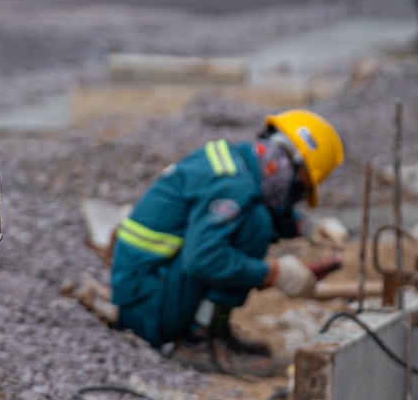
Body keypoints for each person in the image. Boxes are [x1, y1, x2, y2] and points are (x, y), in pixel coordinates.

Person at [106, 112, 347, 372]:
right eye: (299, 187)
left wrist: (306, 226)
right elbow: (203, 259)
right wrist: (274, 273)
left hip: (145, 289)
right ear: (284, 163)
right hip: (146, 308)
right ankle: (197, 340)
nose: (292, 197)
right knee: (255, 222)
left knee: (255, 217)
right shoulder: (233, 186)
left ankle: (209, 330)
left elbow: (257, 201)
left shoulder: (237, 163)